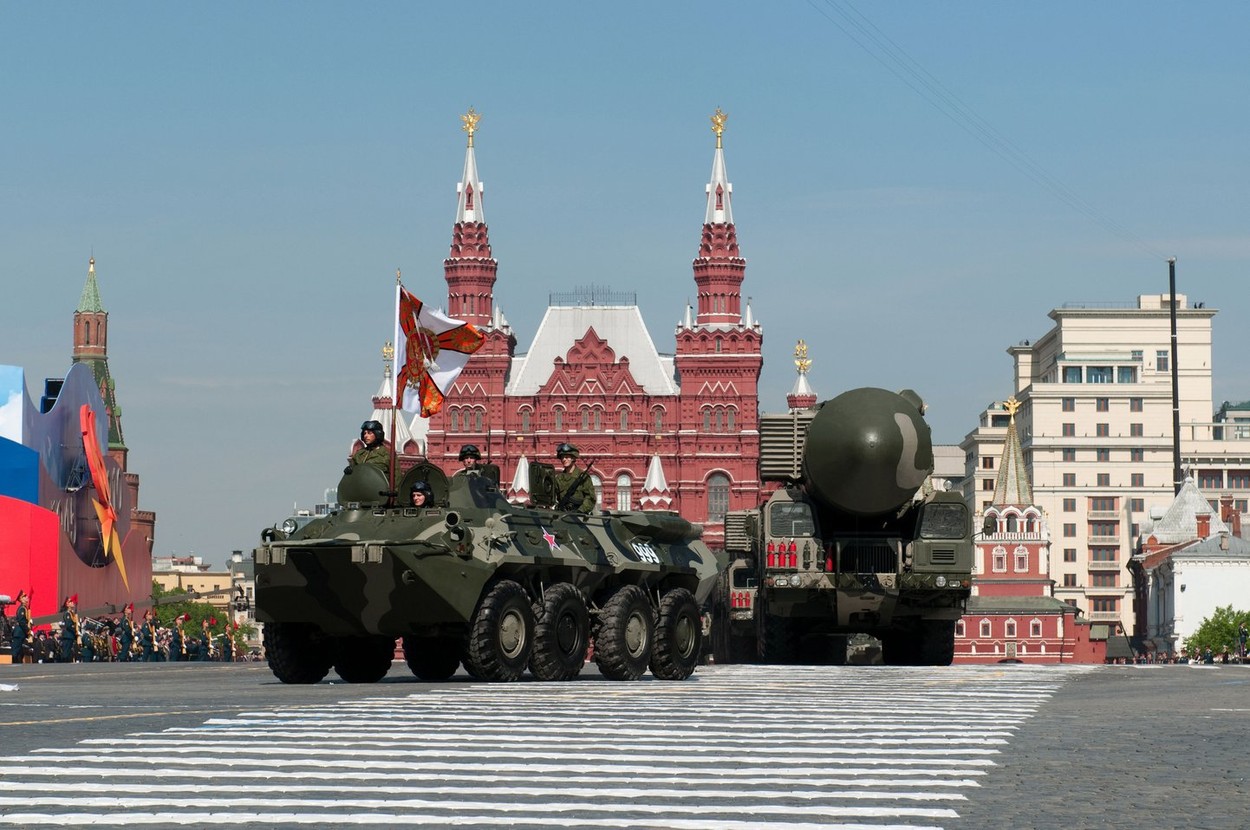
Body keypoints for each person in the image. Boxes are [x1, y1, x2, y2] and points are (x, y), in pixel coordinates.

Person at [553, 443, 596, 514]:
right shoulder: (559, 478)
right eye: (562, 457)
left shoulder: (583, 477)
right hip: (562, 514)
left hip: (579, 515)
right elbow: (551, 495)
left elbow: (590, 498)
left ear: (573, 458)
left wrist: (580, 511)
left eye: (567, 457)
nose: (564, 459)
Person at [10, 590, 31, 663]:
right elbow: (21, 621)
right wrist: (28, 630)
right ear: (21, 599)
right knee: (16, 651)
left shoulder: (24, 608)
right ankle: (13, 664)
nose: (27, 598)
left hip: (21, 633)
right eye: (25, 596)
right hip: (19, 633)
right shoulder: (22, 608)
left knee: (19, 651)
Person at [59, 595, 80, 663]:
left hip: (71, 635)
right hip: (68, 635)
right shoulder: (67, 614)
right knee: (66, 652)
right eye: (71, 602)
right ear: (67, 604)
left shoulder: (72, 613)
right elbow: (69, 625)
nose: (73, 603)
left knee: (68, 652)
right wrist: (75, 630)